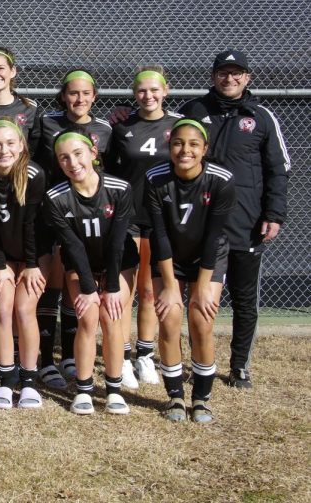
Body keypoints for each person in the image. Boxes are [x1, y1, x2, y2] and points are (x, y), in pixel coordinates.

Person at [178, 50, 290, 388]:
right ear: (213, 76)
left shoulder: (261, 116)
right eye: (224, 73)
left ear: (247, 77)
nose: (230, 79)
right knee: (196, 299)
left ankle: (239, 366)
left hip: (246, 225)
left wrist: (274, 214)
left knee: (244, 300)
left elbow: (279, 170)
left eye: (237, 73)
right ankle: (198, 362)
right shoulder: (193, 111)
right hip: (200, 226)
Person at [146, 119, 236, 423]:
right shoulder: (155, 178)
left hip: (207, 258)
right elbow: (159, 235)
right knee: (169, 318)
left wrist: (201, 287)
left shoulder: (221, 180)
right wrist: (170, 285)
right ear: (170, 147)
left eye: (193, 144)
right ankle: (174, 397)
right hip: (169, 257)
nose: (185, 150)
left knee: (201, 320)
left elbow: (213, 237)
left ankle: (201, 398)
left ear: (205, 149)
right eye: (178, 143)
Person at [44, 129, 138, 415]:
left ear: (93, 153)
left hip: (118, 262)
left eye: (78, 154)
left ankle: (113, 390)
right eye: (64, 158)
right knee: (87, 318)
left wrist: (110, 287)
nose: (72, 162)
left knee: (112, 316)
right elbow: (71, 246)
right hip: (80, 262)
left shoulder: (119, 189)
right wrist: (88, 287)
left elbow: (118, 242)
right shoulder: (56, 198)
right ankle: (83, 391)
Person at [34, 69, 113, 388]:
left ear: (94, 96)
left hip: (87, 216)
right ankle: (44, 360)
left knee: (75, 285)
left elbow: (110, 171)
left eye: (85, 93)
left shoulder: (106, 128)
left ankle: (68, 354)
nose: (79, 99)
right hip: (53, 212)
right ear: (63, 96)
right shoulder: (47, 122)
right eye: (72, 93)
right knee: (51, 284)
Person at [105, 66, 181, 388]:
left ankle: (145, 356)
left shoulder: (178, 125)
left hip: (162, 217)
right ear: (134, 94)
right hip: (129, 216)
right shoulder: (123, 126)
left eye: (154, 90)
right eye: (141, 91)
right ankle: (121, 358)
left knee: (151, 290)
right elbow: (108, 170)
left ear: (166, 91)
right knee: (125, 290)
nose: (148, 96)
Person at [0, 119, 47, 408]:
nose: (4, 150)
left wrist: (31, 263)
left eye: (11, 143)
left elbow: (31, 225)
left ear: (22, 145)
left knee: (24, 309)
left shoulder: (34, 174)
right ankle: (6, 380)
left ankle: (28, 382)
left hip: (34, 255)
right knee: (2, 309)